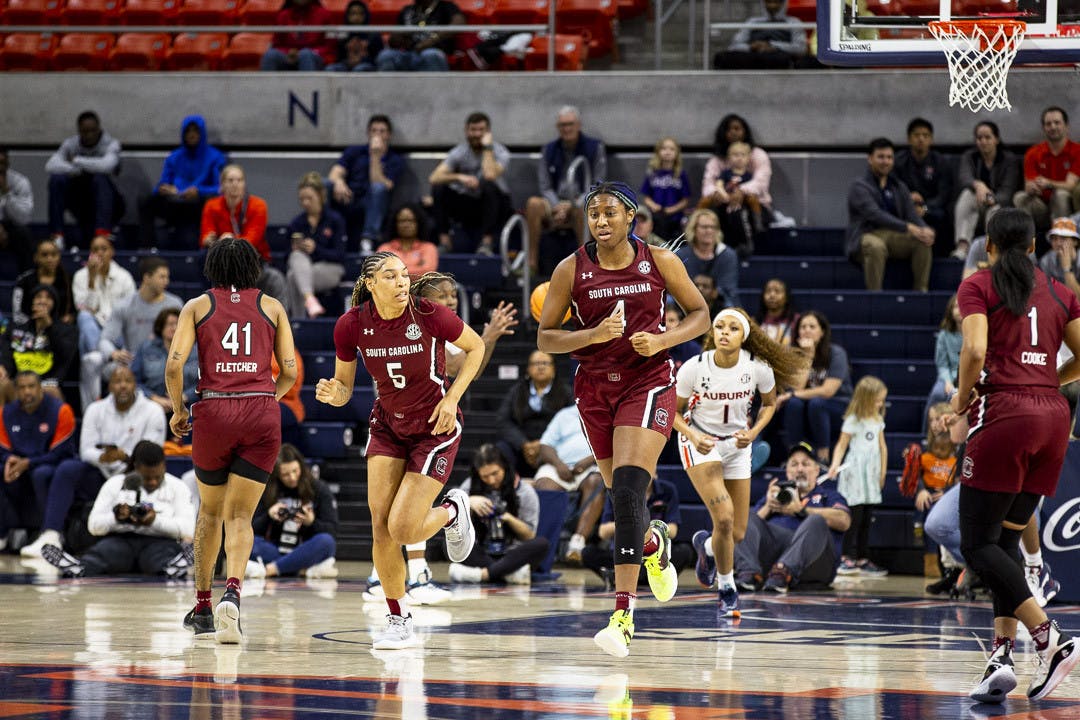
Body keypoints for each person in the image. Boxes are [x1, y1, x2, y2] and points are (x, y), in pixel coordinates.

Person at [537, 180, 710, 658]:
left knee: (630, 489)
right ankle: (653, 544)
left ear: (632, 217)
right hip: (594, 388)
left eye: (611, 213)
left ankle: (622, 615)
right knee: (623, 498)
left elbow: (701, 315)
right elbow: (547, 338)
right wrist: (591, 335)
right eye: (594, 214)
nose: (601, 221)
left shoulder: (660, 261)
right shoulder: (569, 268)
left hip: (648, 380)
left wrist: (661, 341)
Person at [316, 251, 483, 649]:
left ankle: (452, 510)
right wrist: (332, 394)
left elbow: (475, 349)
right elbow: (344, 387)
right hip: (389, 424)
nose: (402, 281)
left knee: (404, 528)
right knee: (380, 524)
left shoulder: (428, 314)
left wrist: (451, 398)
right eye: (390, 276)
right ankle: (398, 617)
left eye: (405, 274)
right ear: (370, 284)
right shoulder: (351, 325)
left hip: (434, 426)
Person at [948, 207, 1080, 703]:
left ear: (989, 246)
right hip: (1053, 416)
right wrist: (1049, 381)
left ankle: (1051, 640)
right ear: (1032, 248)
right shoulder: (1060, 291)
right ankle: (1001, 658)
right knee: (1003, 543)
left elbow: (976, 351)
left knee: (976, 544)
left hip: (1006, 413)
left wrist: (963, 398)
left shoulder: (978, 285)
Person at [168, 236, 298, 644]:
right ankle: (234, 592)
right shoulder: (272, 307)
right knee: (240, 516)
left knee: (209, 513)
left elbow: (174, 367)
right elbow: (291, 372)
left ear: (213, 269)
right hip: (260, 411)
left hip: (214, 411)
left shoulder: (197, 306)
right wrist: (264, 399)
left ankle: (204, 606)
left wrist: (177, 409)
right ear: (252, 269)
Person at [676, 307, 807, 617]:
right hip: (700, 443)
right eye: (719, 326)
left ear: (744, 336)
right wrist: (693, 437)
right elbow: (672, 413)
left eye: (733, 328)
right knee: (722, 518)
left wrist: (755, 431)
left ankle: (707, 549)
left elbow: (770, 404)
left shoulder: (758, 369)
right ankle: (727, 588)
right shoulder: (693, 368)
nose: (724, 332)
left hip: (737, 444)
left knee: (735, 533)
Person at [21, 365, 167, 559]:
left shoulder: (153, 411)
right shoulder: (95, 409)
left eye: (128, 381)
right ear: (109, 386)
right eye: (117, 381)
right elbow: (85, 449)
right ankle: (51, 535)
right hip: (101, 473)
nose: (122, 386)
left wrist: (125, 456)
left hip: (134, 476)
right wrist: (102, 458)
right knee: (67, 469)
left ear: (135, 384)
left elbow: (152, 454)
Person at [40, 440, 196, 579]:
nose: (153, 482)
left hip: (160, 542)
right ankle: (78, 566)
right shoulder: (115, 483)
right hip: (122, 540)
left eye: (158, 476)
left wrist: (155, 521)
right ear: (136, 467)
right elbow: (94, 526)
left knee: (156, 559)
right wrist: (116, 518)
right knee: (105, 554)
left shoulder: (178, 486)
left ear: (164, 466)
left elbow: (188, 529)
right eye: (147, 478)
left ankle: (174, 567)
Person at [734, 440, 851, 593]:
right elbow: (748, 529)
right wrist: (768, 507)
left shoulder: (829, 495)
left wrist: (801, 510)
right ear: (787, 472)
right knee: (745, 516)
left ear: (816, 470)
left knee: (816, 520)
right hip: (774, 562)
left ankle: (784, 570)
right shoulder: (774, 497)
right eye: (794, 464)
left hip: (815, 562)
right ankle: (749, 574)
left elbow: (844, 521)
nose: (800, 469)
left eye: (806, 464)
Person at [88, 257, 183, 409]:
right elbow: (105, 339)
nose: (167, 281)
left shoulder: (175, 304)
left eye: (167, 277)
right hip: (133, 361)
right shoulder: (125, 305)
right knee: (102, 366)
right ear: (147, 277)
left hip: (165, 359)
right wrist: (113, 353)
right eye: (162, 276)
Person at [448, 444, 549, 585]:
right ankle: (507, 574)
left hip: (512, 554)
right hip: (481, 550)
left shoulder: (525, 492)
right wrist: (467, 502)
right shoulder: (470, 485)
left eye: (495, 473)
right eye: (485, 476)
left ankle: (481, 575)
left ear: (505, 468)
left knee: (542, 544)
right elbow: (453, 521)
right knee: (450, 541)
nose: (491, 480)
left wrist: (509, 518)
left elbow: (529, 535)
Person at [525, 106, 607, 275]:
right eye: (562, 125)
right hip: (554, 201)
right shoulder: (549, 149)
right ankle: (531, 262)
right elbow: (544, 185)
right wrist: (557, 206)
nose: (566, 129)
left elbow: (598, 184)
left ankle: (585, 263)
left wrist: (572, 205)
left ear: (578, 125)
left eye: (570, 124)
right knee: (533, 204)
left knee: (584, 207)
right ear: (558, 127)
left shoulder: (594, 147)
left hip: (581, 200)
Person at [0, 371, 76, 552]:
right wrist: (8, 459)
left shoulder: (61, 410)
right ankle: (3, 532)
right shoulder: (5, 413)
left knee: (41, 474)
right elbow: (2, 447)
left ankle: (49, 534)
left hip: (50, 464)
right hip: (19, 465)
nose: (27, 392)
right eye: (22, 387)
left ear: (40, 388)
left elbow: (60, 452)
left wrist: (28, 463)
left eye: (31, 386)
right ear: (15, 391)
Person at [846, 137, 935, 292]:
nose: (885, 161)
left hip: (894, 236)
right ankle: (875, 296)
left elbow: (911, 213)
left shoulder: (898, 186)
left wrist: (924, 229)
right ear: (870, 159)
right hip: (865, 235)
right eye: (880, 157)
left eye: (889, 157)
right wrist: (907, 227)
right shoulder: (859, 186)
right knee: (876, 246)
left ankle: (921, 293)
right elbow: (875, 214)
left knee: (922, 241)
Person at [199, 164, 289, 310]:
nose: (235, 184)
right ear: (222, 185)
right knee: (203, 257)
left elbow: (252, 239)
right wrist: (212, 240)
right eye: (230, 180)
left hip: (253, 261)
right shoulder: (211, 206)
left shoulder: (258, 205)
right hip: (222, 262)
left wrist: (229, 241)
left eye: (239, 180)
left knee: (276, 278)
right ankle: (211, 306)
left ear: (244, 184)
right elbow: (205, 237)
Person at [581, 475, 693, 590]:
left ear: (655, 473)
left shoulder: (667, 490)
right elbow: (603, 532)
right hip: (624, 551)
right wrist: (629, 523)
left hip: (654, 552)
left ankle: (618, 577)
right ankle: (646, 578)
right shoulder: (618, 491)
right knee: (587, 553)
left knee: (684, 552)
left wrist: (643, 527)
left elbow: (673, 530)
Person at [245, 444, 339, 580]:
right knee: (248, 543)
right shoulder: (268, 489)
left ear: (301, 466)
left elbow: (332, 530)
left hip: (305, 548)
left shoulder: (319, 489)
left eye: (295, 471)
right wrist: (269, 515)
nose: (293, 477)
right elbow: (251, 529)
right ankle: (300, 569)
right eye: (286, 474)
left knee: (326, 542)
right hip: (275, 548)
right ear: (277, 474)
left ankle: (271, 569)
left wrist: (311, 522)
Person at [827, 375, 888, 577]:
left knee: (866, 518)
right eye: (878, 400)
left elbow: (882, 447)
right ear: (866, 399)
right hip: (854, 473)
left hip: (870, 473)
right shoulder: (853, 420)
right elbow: (841, 445)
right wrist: (834, 465)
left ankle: (863, 558)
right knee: (854, 516)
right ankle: (846, 557)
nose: (881, 403)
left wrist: (883, 472)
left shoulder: (878, 419)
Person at [532, 403, 607, 564]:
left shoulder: (608, 412)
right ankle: (545, 545)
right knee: (545, 485)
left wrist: (588, 461)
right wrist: (559, 465)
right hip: (559, 465)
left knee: (597, 481)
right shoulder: (565, 414)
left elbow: (613, 444)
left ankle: (577, 543)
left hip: (592, 466)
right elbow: (545, 446)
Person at [428, 112, 512, 255]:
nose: (477, 134)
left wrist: (487, 148)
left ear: (488, 133)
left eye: (481, 130)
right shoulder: (459, 152)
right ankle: (445, 243)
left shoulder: (500, 152)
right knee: (439, 188)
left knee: (489, 186)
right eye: (473, 130)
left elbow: (489, 174)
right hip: (468, 204)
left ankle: (486, 243)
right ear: (466, 131)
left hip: (495, 206)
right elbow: (434, 177)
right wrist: (460, 177)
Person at [139, 115, 227, 250]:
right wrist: (163, 189)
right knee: (146, 201)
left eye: (195, 131)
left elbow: (220, 188)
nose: (191, 135)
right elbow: (162, 183)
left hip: (198, 204)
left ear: (202, 133)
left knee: (210, 203)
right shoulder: (174, 157)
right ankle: (148, 249)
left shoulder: (215, 157)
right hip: (175, 202)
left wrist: (199, 191)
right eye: (188, 131)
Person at [779, 310, 852, 462]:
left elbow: (828, 391)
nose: (807, 330)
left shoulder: (836, 353)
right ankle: (795, 455)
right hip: (808, 407)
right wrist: (808, 356)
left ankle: (823, 455)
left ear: (822, 332)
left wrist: (793, 394)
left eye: (812, 327)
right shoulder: (794, 355)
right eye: (803, 327)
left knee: (817, 403)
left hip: (838, 405)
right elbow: (797, 388)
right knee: (793, 403)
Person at [73, 234, 136, 409]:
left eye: (104, 249)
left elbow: (129, 312)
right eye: (95, 250)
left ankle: (99, 357)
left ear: (112, 252)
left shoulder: (124, 277)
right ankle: (100, 356)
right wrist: (92, 280)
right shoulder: (80, 276)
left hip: (117, 333)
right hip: (93, 333)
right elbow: (85, 308)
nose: (99, 253)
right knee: (84, 317)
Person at [45, 110, 124, 248]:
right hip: (80, 202)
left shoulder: (111, 144)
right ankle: (57, 235)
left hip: (110, 203)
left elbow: (106, 166)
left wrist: (77, 161)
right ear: (79, 131)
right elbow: (50, 165)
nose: (89, 135)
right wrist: (77, 169)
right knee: (57, 179)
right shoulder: (70, 144)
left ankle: (102, 235)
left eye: (93, 130)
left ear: (99, 128)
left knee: (100, 178)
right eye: (85, 131)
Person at [328, 114, 406, 252]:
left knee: (378, 188)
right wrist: (339, 182)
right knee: (325, 184)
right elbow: (334, 173)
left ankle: (368, 239)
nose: (377, 134)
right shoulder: (354, 151)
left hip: (373, 203)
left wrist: (375, 156)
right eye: (374, 130)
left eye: (382, 131)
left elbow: (381, 184)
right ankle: (324, 230)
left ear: (389, 135)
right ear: (368, 133)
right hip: (348, 196)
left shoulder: (395, 159)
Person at [495, 348, 573, 479]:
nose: (541, 367)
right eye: (536, 364)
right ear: (528, 370)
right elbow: (502, 420)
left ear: (554, 369)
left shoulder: (566, 392)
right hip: (523, 446)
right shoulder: (517, 391)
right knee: (501, 449)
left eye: (545, 363)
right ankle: (509, 486)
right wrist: (523, 444)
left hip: (554, 446)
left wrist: (543, 444)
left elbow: (572, 422)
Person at [954, 121, 1020, 263]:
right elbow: (964, 178)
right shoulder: (970, 156)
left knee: (995, 211)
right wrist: (978, 185)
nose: (983, 141)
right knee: (966, 195)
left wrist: (992, 198)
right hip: (977, 202)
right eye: (979, 138)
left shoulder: (1009, 159)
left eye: (987, 137)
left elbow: (1008, 191)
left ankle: (992, 251)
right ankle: (963, 247)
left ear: (996, 139)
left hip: (999, 203)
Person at [0, 284, 78, 402]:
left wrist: (49, 327)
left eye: (48, 297)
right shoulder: (16, 329)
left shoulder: (67, 331)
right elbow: (7, 354)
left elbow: (65, 357)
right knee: (2, 385)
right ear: (31, 302)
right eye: (38, 296)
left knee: (53, 392)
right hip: (18, 381)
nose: (43, 301)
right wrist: (3, 368)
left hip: (47, 383)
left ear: (55, 303)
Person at [286, 171, 346, 319]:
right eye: (302, 199)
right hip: (304, 268)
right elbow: (287, 256)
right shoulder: (296, 223)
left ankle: (298, 323)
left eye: (310, 198)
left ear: (320, 196)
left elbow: (339, 255)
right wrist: (295, 249)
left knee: (294, 277)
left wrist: (316, 249)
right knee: (295, 260)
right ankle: (310, 301)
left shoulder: (335, 220)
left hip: (330, 268)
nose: (306, 202)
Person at [1012, 106, 1080, 237]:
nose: (1053, 127)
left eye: (1057, 123)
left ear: (1066, 126)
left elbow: (1070, 185)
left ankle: (1063, 239)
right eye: (1048, 124)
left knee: (1060, 195)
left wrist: (1049, 183)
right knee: (1020, 197)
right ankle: (1025, 243)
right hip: (1041, 204)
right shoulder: (1033, 153)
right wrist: (1032, 188)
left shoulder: (1077, 151)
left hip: (1067, 205)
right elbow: (1028, 183)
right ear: (1044, 128)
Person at [701, 115, 773, 232]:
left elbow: (760, 183)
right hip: (723, 200)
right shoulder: (717, 159)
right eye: (728, 129)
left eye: (737, 128)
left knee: (746, 206)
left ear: (745, 131)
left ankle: (758, 227)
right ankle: (691, 225)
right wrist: (717, 193)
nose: (733, 132)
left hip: (754, 203)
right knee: (707, 202)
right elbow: (708, 184)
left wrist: (741, 191)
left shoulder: (758, 155)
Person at [894, 118, 955, 257]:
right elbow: (893, 190)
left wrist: (925, 208)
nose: (921, 139)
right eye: (916, 135)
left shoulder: (941, 162)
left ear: (931, 139)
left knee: (942, 215)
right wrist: (909, 201)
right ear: (909, 139)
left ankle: (940, 257)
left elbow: (944, 195)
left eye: (925, 135)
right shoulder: (898, 162)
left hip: (930, 208)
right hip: (905, 209)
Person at [132, 307, 199, 417]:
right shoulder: (146, 349)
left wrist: (185, 396)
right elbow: (134, 380)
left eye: (177, 324)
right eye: (169, 324)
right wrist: (153, 398)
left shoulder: (196, 351)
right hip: (151, 405)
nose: (174, 328)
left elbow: (205, 382)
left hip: (188, 406)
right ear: (160, 327)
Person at [675, 208, 739, 313]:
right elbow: (677, 287)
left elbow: (728, 289)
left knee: (730, 305)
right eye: (704, 227)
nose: (709, 231)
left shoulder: (727, 255)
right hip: (686, 304)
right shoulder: (681, 255)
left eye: (712, 227)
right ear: (694, 229)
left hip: (718, 303)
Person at [712, 0, 807, 69]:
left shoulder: (793, 22)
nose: (772, 6)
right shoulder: (753, 22)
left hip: (778, 56)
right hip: (753, 56)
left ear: (783, 3)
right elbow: (734, 45)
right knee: (722, 57)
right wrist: (751, 47)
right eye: (769, 2)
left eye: (776, 2)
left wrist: (773, 46)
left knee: (784, 60)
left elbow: (800, 48)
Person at [710, 141, 764, 258]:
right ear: (729, 158)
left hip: (742, 208)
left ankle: (755, 227)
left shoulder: (748, 175)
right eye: (735, 155)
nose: (739, 158)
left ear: (748, 158)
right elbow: (718, 185)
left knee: (742, 222)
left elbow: (751, 189)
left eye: (742, 155)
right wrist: (724, 194)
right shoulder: (726, 173)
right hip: (725, 206)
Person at [376, 0, 464, 72]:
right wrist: (397, 38)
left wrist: (431, 41)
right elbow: (394, 37)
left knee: (430, 55)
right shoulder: (407, 10)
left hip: (435, 50)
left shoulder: (446, 7)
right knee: (386, 55)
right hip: (409, 52)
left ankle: (434, 91)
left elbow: (459, 23)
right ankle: (388, 92)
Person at [639, 137, 691, 243]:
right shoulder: (653, 172)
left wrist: (673, 209)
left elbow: (685, 199)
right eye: (664, 149)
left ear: (677, 153)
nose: (667, 152)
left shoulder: (680, 174)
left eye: (671, 149)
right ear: (658, 152)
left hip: (675, 218)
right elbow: (646, 196)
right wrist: (654, 206)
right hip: (656, 216)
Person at [12, 237, 74, 326]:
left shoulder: (68, 280)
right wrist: (36, 325)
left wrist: (66, 320)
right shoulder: (24, 280)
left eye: (53, 254)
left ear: (59, 256)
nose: (49, 259)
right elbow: (17, 313)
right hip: (30, 329)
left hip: (59, 330)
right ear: (36, 257)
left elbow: (73, 312)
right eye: (44, 255)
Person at [260, 0, 336, 71]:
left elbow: (330, 47)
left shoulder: (325, 15)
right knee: (270, 55)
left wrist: (311, 52)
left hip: (315, 56)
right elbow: (276, 45)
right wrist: (288, 52)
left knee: (305, 55)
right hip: (288, 56)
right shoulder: (283, 16)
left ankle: (308, 85)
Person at [925, 294, 961, 430]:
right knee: (938, 393)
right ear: (950, 311)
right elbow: (942, 364)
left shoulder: (977, 332)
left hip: (972, 376)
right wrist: (947, 381)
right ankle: (927, 433)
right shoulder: (944, 335)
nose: (960, 310)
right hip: (950, 376)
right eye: (957, 307)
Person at [378, 204, 439, 279]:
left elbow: (428, 272)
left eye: (411, 220)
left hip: (420, 290)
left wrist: (393, 272)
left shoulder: (429, 248)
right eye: (402, 221)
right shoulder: (385, 248)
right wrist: (417, 267)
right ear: (395, 224)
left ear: (419, 223)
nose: (406, 225)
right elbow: (379, 272)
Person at [0, 147, 34, 271]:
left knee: (24, 234)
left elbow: (24, 218)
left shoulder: (20, 182)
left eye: (2, 163)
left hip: (11, 227)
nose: (0, 168)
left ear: (8, 163)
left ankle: (26, 281)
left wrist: (7, 193)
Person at [325, 0, 384, 72]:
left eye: (360, 14)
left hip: (367, 65)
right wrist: (348, 62)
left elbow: (377, 59)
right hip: (346, 65)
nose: (356, 17)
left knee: (360, 69)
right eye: (353, 13)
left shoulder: (374, 35)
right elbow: (338, 57)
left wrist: (362, 60)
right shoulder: (342, 34)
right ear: (347, 15)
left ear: (366, 15)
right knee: (331, 69)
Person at [1038, 216, 1080, 298]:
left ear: (1075, 241)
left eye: (1063, 238)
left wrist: (1067, 268)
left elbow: (1077, 298)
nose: (1058, 243)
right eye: (1054, 239)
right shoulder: (1046, 261)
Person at [754, 277, 798, 346]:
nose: (772, 295)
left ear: (786, 297)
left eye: (777, 291)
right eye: (768, 291)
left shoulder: (796, 320)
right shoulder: (754, 322)